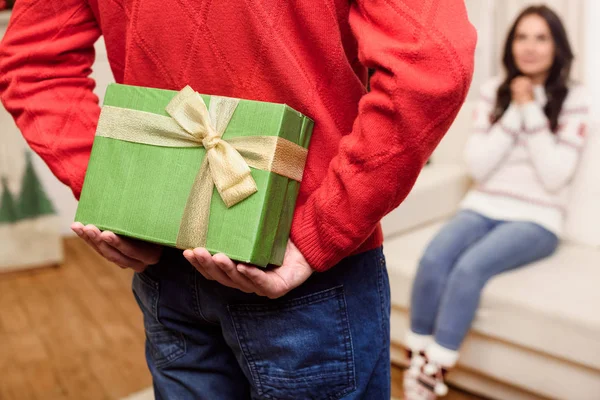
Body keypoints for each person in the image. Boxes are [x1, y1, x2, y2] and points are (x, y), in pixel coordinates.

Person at [0, 1, 476, 398]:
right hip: (302, 272)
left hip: (176, 261)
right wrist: (322, 231)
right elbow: (433, 60)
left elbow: (31, 60)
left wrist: (118, 195)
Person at [404, 5, 589, 399]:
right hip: (484, 205)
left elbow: (556, 175)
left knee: (469, 270)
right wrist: (512, 110)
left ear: (557, 46)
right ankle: (416, 356)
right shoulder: (492, 92)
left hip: (537, 219)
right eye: (522, 36)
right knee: (435, 257)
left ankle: (435, 368)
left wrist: (529, 108)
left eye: (541, 37)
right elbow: (479, 166)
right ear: (510, 45)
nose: (530, 47)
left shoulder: (576, 98)